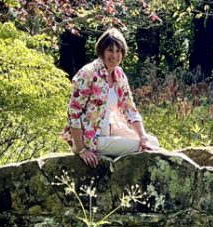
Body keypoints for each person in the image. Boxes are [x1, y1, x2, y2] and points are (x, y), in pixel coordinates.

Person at [63, 27, 160, 168]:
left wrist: (143, 137)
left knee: (152, 142)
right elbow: (73, 112)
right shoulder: (88, 73)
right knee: (139, 147)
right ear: (101, 51)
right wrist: (81, 149)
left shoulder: (119, 74)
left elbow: (130, 109)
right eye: (110, 50)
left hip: (111, 131)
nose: (114, 55)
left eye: (118, 51)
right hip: (92, 139)